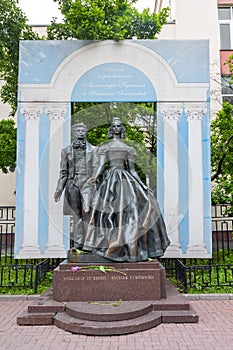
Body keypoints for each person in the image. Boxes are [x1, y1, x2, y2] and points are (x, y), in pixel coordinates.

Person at [81, 117, 170, 262]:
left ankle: (130, 247)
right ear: (111, 129)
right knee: (106, 211)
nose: (116, 128)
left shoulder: (129, 149)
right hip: (110, 180)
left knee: (134, 210)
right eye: (114, 126)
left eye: (118, 126)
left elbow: (133, 170)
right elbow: (101, 166)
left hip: (125, 179)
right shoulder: (105, 148)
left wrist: (143, 185)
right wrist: (94, 178)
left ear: (122, 129)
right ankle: (105, 245)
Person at [54, 123, 96, 248]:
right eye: (78, 130)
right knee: (76, 214)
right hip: (72, 184)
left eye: (83, 130)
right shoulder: (66, 151)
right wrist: (59, 189)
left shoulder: (94, 150)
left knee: (88, 212)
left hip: (88, 184)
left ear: (86, 132)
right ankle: (78, 243)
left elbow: (97, 169)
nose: (81, 132)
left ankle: (90, 242)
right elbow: (63, 171)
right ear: (74, 133)